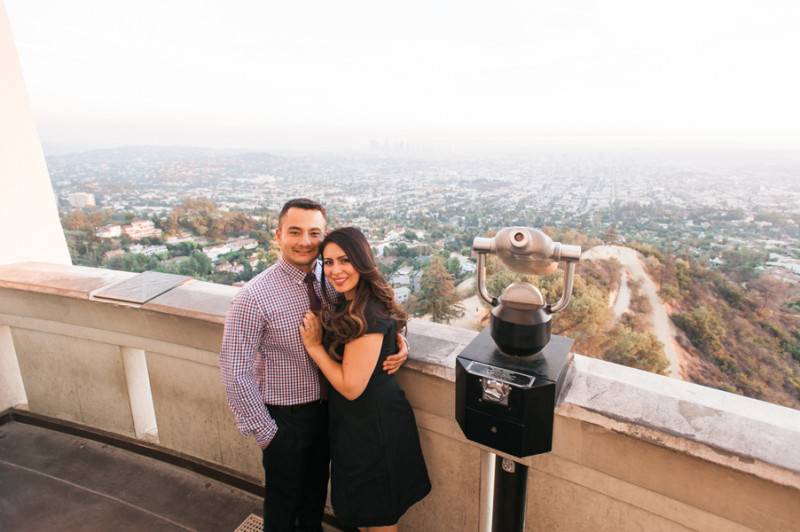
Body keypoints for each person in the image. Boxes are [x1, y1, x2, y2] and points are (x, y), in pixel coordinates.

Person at [220, 199, 409, 532]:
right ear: (278, 235)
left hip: (331, 414)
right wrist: (268, 434)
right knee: (283, 509)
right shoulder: (253, 296)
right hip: (286, 418)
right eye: (295, 232)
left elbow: (370, 317)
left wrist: (400, 343)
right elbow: (235, 372)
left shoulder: (333, 280)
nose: (304, 241)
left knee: (314, 507)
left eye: (313, 233)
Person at [299, 227, 431, 532]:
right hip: (358, 426)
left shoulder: (366, 311)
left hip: (374, 427)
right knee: (365, 514)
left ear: (362, 260)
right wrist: (397, 341)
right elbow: (383, 333)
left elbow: (351, 386)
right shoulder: (356, 301)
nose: (335, 270)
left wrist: (315, 347)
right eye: (328, 262)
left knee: (379, 518)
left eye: (344, 260)